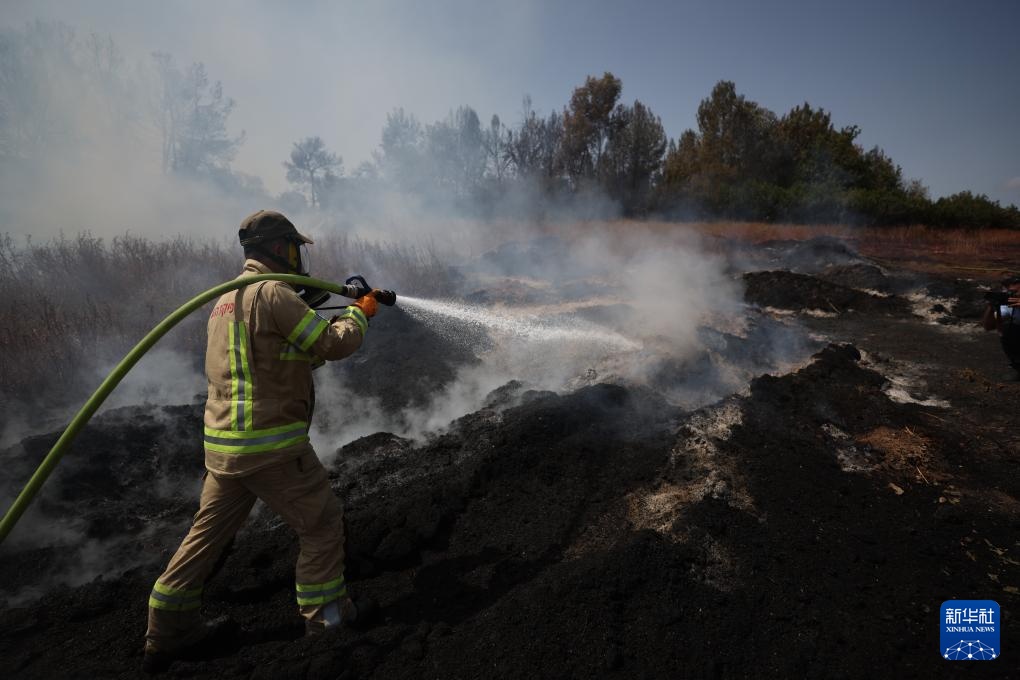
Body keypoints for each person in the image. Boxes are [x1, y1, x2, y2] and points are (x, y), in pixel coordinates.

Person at [143, 210, 377, 673]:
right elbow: (332, 345)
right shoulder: (273, 293)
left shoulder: (225, 299)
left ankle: (166, 630)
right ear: (277, 248)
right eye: (294, 247)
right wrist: (358, 314)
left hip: (225, 450)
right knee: (322, 524)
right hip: (271, 448)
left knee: (205, 537)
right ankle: (327, 622)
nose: (297, 255)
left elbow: (268, 359)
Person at [981, 275, 1020, 381]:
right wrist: (992, 306)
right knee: (1007, 330)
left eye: (1015, 284)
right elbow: (988, 326)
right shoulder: (1009, 302)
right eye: (1007, 286)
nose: (1011, 290)